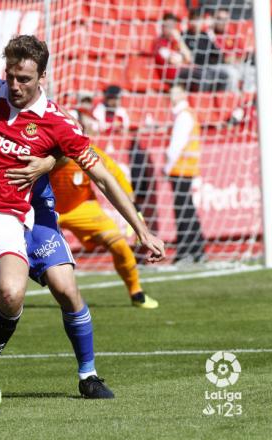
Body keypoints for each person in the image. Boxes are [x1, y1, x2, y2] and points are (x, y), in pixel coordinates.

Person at [0, 36, 164, 408]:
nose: (16, 86)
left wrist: (141, 228)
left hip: (22, 216)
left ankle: (81, 373)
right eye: (11, 77)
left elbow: (101, 174)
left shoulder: (56, 122)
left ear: (42, 76)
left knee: (55, 287)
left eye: (25, 78)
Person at [49, 143, 159, 308]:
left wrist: (134, 208)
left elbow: (115, 176)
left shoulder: (88, 152)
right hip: (43, 209)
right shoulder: (38, 153)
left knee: (119, 245)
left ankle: (136, 293)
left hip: (82, 207)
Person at [164, 86, 206, 263]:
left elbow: (177, 145)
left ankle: (186, 250)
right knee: (187, 208)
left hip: (180, 168)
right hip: (186, 168)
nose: (171, 97)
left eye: (174, 93)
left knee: (183, 210)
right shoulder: (186, 114)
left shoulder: (183, 115)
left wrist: (167, 167)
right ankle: (197, 249)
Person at [153, 12, 229, 92]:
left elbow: (188, 58)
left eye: (173, 26)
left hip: (187, 69)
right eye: (169, 26)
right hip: (174, 74)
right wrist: (182, 57)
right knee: (203, 76)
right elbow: (176, 60)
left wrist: (179, 42)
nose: (171, 29)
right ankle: (201, 100)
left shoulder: (175, 42)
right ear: (162, 27)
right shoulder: (159, 43)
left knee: (222, 76)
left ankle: (217, 101)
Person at [183, 9, 240, 92]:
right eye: (194, 20)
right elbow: (190, 57)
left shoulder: (205, 35)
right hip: (198, 67)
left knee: (231, 72)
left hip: (211, 66)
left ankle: (227, 99)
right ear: (189, 21)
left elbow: (217, 53)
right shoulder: (185, 36)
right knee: (208, 76)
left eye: (198, 20)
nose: (196, 23)